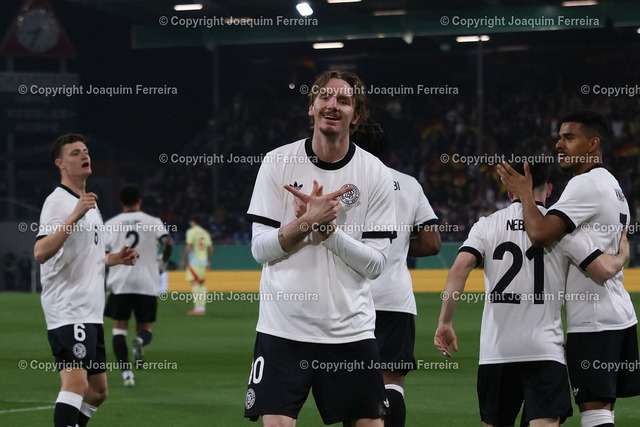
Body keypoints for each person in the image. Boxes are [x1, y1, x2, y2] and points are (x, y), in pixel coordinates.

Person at [244, 70, 396, 426]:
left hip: (349, 332)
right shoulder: (277, 162)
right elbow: (260, 250)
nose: (332, 105)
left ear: (356, 115)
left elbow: (376, 265)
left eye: (344, 100)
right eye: (324, 97)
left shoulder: (375, 173)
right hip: (283, 330)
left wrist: (328, 232)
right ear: (311, 107)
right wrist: (304, 224)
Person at [435, 161, 629, 427]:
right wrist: (622, 256)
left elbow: (459, 268)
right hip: (544, 350)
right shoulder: (560, 229)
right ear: (548, 190)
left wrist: (445, 322)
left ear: (509, 191)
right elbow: (603, 270)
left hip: (496, 352)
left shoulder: (486, 225)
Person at [497, 112, 640, 427]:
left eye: (569, 138)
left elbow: (540, 234)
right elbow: (603, 259)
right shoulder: (613, 185)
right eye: (559, 137)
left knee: (595, 412)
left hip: (593, 321)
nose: (559, 144)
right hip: (618, 314)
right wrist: (620, 260)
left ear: (593, 144)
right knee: (603, 409)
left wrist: (524, 193)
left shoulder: (584, 185)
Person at [34, 133, 137, 427]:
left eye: (86, 150)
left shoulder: (89, 205)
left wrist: (115, 258)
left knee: (98, 391)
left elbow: (87, 256)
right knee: (77, 384)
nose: (84, 155)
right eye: (75, 153)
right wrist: (74, 215)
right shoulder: (58, 203)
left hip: (89, 310)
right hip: (68, 307)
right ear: (60, 163)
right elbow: (40, 252)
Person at [353, 120, 441, 427]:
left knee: (352, 384)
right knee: (392, 383)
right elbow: (432, 243)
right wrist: (398, 246)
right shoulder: (409, 184)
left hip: (350, 298)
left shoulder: (342, 183)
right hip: (395, 299)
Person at [104, 185, 174, 386]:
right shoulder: (153, 221)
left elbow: (102, 254)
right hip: (147, 283)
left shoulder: (111, 224)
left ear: (121, 203)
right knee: (145, 329)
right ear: (140, 201)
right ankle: (141, 341)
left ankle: (127, 374)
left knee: (119, 331)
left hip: (120, 283)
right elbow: (168, 243)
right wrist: (161, 265)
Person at [180, 214, 213, 315]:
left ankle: (198, 308)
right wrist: (209, 261)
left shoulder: (191, 231)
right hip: (203, 261)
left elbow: (189, 246)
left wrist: (184, 259)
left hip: (194, 261)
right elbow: (211, 248)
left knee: (194, 283)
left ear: (192, 221)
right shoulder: (205, 232)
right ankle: (202, 307)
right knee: (201, 283)